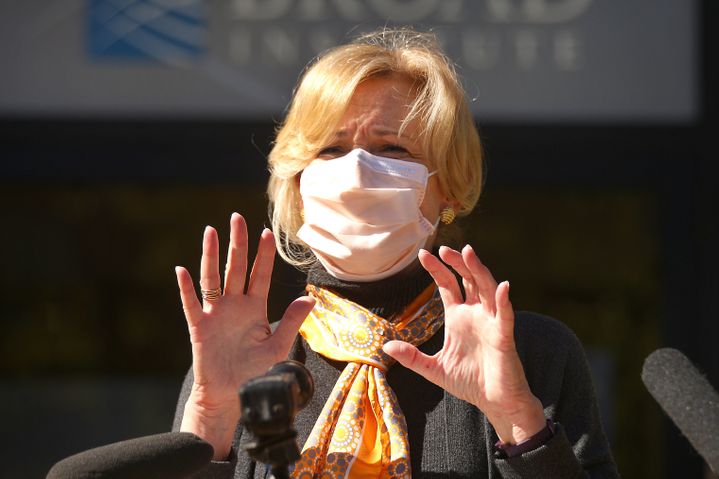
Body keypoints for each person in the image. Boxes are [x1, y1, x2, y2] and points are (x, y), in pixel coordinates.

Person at [172, 27, 619, 478]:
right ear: (296, 184)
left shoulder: (530, 353)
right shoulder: (245, 358)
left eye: (392, 149)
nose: (357, 172)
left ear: (449, 190)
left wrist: (519, 420)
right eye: (331, 148)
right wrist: (212, 414)